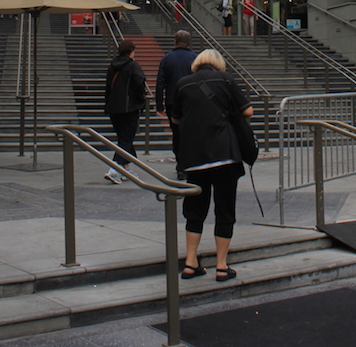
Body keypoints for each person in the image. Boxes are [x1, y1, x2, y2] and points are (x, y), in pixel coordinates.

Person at [171, 49, 253, 281]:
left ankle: (190, 263)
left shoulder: (183, 83)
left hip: (194, 157)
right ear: (219, 65)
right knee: (224, 209)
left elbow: (176, 118)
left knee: (194, 210)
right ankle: (221, 266)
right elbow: (247, 110)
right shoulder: (226, 79)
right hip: (225, 154)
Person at [104, 39, 147, 184]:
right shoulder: (133, 65)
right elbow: (140, 83)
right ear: (131, 52)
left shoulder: (112, 66)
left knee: (123, 137)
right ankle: (114, 168)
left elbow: (108, 87)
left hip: (114, 108)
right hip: (129, 107)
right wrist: (141, 101)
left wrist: (107, 105)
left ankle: (126, 167)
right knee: (126, 138)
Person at [155, 30, 197, 175]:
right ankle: (190, 161)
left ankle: (180, 164)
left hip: (172, 101)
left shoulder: (167, 59)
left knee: (177, 133)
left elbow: (160, 83)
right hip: (191, 102)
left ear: (175, 42)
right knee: (191, 132)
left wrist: (159, 104)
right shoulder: (195, 58)